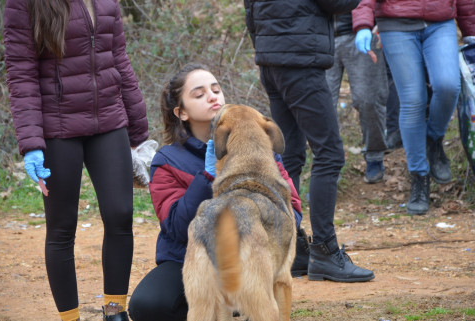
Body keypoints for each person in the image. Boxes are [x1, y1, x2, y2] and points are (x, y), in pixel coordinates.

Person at [3, 0, 148, 320]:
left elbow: (119, 58)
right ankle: (70, 317)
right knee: (62, 227)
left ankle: (115, 311)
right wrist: (31, 143)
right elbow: (21, 73)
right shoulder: (24, 4)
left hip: (109, 121)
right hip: (57, 129)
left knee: (121, 214)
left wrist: (138, 129)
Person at [127, 63, 305, 321]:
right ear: (181, 112)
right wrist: (207, 177)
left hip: (254, 251)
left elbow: (294, 212)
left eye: (216, 89)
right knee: (149, 305)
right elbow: (176, 228)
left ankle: (243, 302)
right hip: (188, 256)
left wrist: (262, 221)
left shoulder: (259, 145)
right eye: (199, 94)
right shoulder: (168, 160)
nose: (212, 96)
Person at [244, 0, 375, 282]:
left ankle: (291, 247)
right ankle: (325, 250)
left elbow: (249, 12)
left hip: (271, 59)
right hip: (299, 59)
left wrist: (268, 45)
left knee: (289, 154)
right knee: (329, 154)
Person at [353, 0, 475, 215]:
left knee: (448, 86)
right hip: (395, 23)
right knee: (413, 100)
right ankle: (419, 176)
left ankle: (433, 140)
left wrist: (470, 29)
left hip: (440, 21)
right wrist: (363, 24)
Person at [326, 12, 389, 183]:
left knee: (369, 100)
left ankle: (375, 155)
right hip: (321, 35)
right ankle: (327, 167)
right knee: (322, 106)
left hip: (361, 30)